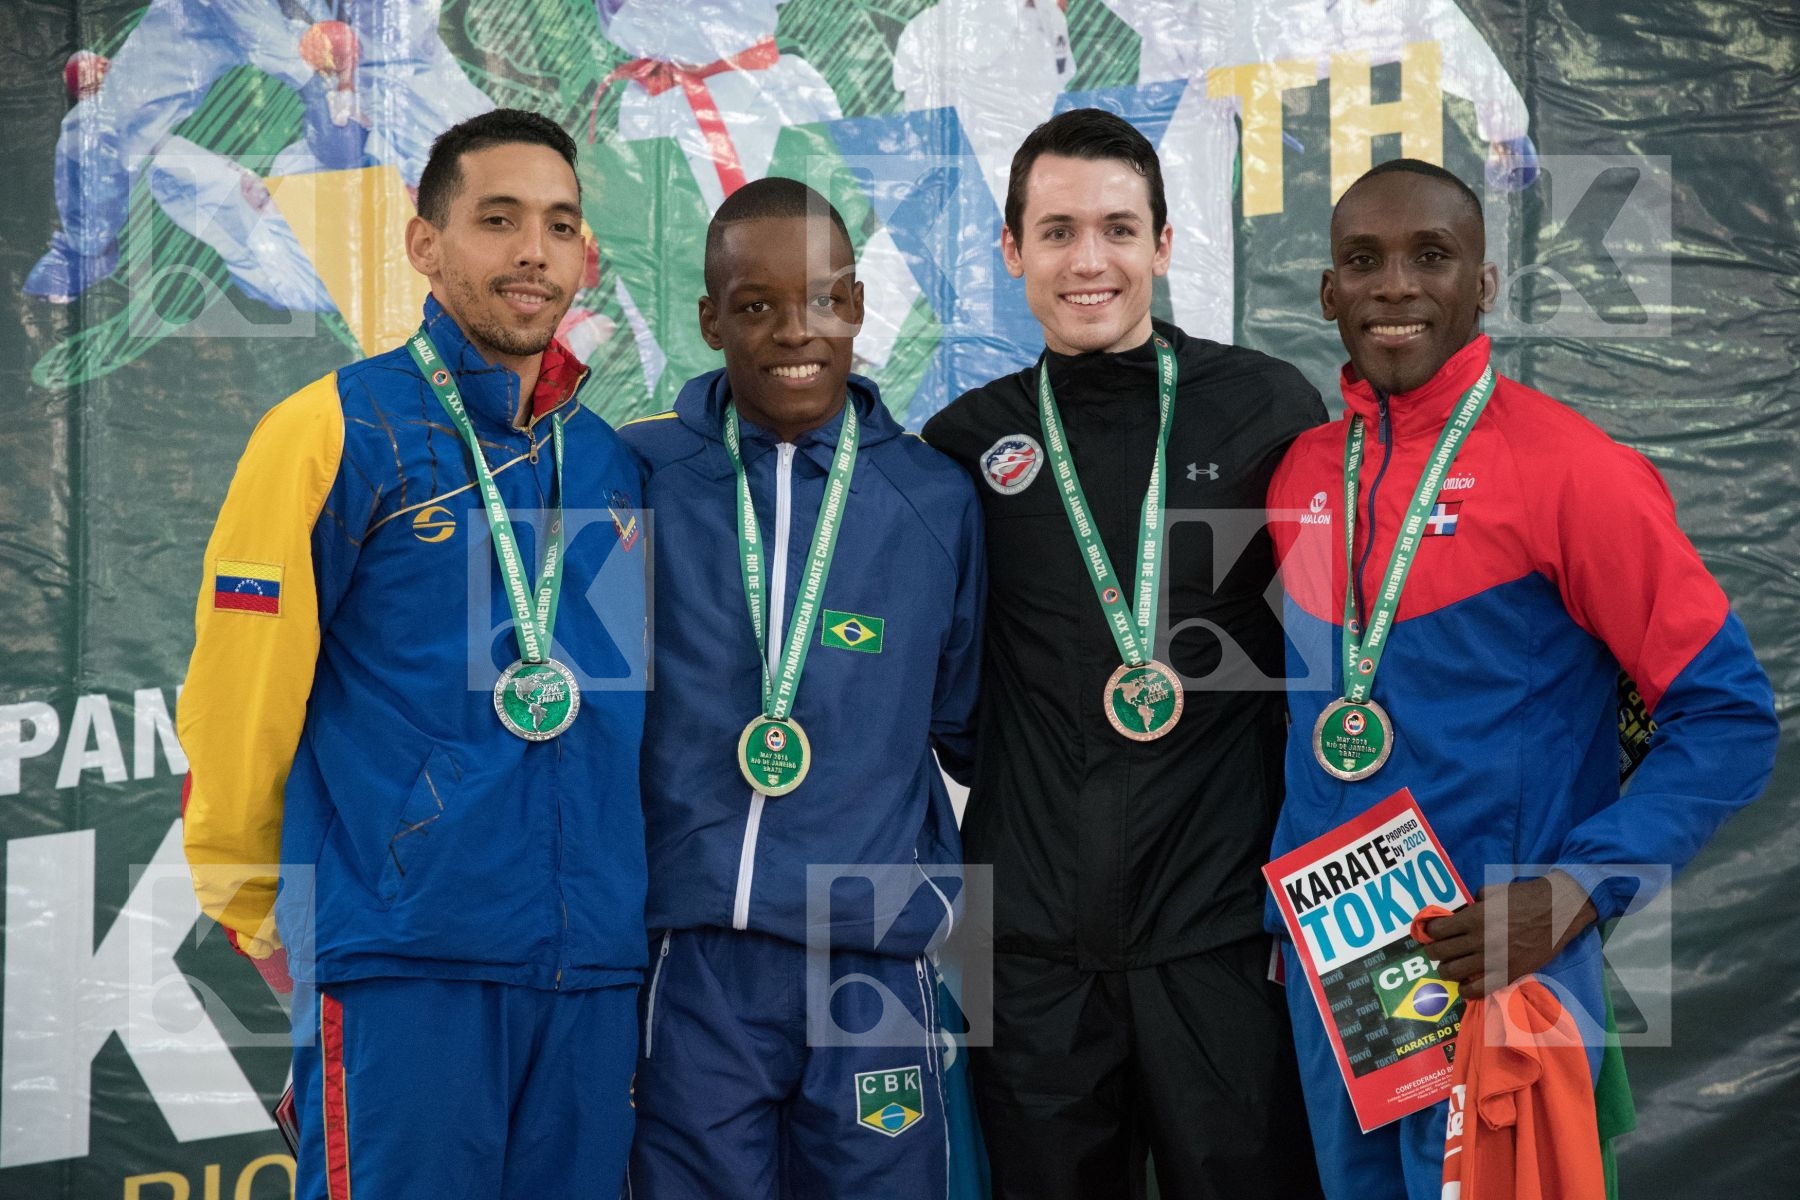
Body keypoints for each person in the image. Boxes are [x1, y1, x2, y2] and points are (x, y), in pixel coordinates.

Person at [1265, 157, 1779, 1198]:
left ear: (1485, 285)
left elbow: (1727, 719)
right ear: (1328, 293)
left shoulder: (1571, 470)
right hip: (1342, 984)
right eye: (1364, 261)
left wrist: (1580, 889)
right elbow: (1331, 717)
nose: (1397, 286)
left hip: (1502, 972)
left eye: (1432, 257)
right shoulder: (1302, 475)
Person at [178, 109, 648, 1200]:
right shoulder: (328, 431)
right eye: (498, 220)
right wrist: (256, 905)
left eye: (560, 226)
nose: (534, 251)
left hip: (591, 976)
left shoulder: (612, 464)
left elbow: (615, 710)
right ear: (424, 243)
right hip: (403, 963)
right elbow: (241, 704)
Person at [922, 107, 1326, 1200]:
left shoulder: (1265, 408)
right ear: (1011, 252)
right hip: (1032, 949)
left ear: (1162, 243)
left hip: (1222, 935)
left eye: (1115, 228)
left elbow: (1340, 645)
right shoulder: (963, 446)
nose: (1087, 260)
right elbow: (936, 684)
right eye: (1055, 232)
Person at [618, 176, 985, 1199]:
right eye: (756, 305)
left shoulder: (934, 497)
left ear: (859, 305)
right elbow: (572, 718)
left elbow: (969, 730)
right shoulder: (634, 475)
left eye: (824, 299)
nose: (796, 331)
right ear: (709, 318)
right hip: (696, 956)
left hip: (874, 948)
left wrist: (971, 946)